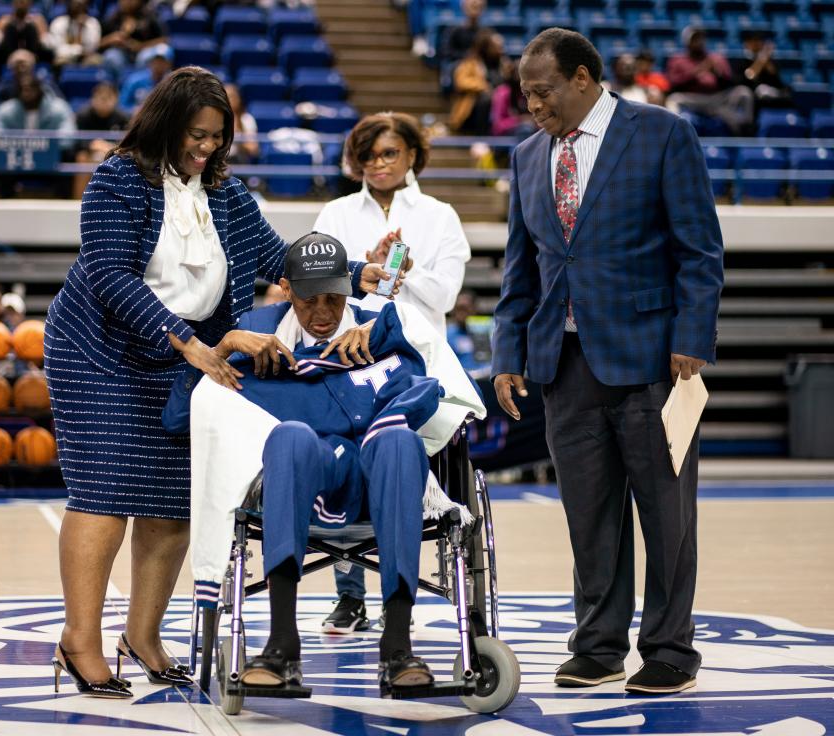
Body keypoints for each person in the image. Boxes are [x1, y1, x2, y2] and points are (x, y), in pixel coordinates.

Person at [43, 66, 393, 698]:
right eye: (195, 136)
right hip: (101, 353)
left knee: (175, 498)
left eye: (216, 138)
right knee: (105, 493)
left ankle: (143, 636)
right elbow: (110, 277)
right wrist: (191, 344)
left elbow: (278, 258)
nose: (205, 149)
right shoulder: (117, 180)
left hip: (192, 356)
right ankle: (80, 642)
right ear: (167, 124)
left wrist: (357, 270)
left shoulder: (227, 196)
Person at [492, 28, 723, 695]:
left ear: (585, 79)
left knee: (667, 516)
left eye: (542, 92)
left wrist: (692, 335)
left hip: (654, 360)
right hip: (563, 364)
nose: (532, 105)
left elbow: (700, 250)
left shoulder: (660, 134)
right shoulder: (528, 155)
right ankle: (596, 645)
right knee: (589, 516)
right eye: (525, 94)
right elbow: (523, 267)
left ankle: (671, 650)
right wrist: (510, 352)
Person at [161, 232, 485, 690]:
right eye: (309, 300)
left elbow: (438, 388)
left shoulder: (384, 325)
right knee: (290, 436)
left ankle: (397, 648)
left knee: (399, 442)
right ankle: (281, 645)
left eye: (334, 299)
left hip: (382, 472)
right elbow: (179, 419)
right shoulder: (256, 331)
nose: (322, 314)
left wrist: (389, 330)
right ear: (286, 289)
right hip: (302, 475)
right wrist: (221, 347)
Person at [312, 111, 470, 633]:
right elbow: (320, 285)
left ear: (412, 157)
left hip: (416, 357)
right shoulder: (335, 212)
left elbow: (444, 295)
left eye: (390, 153)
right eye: (368, 155)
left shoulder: (439, 215)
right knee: (345, 455)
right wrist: (364, 269)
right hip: (347, 352)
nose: (378, 164)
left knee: (399, 457)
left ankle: (396, 592)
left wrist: (403, 268)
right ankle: (349, 595)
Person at [665, 26, 754, 134]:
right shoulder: (678, 60)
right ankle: (675, 132)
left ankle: (747, 128)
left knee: (743, 92)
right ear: (687, 42)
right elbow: (673, 84)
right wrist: (697, 71)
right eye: (694, 39)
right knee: (673, 99)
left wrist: (716, 72)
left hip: (718, 98)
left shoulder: (716, 58)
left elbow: (729, 82)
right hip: (694, 99)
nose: (698, 42)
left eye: (700, 39)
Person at [72, 80, 129, 198]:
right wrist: (93, 146)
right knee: (81, 158)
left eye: (108, 98)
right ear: (93, 98)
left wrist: (106, 147)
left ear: (116, 99)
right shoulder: (83, 116)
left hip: (114, 155)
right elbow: (78, 142)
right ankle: (79, 200)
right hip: (89, 154)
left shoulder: (123, 118)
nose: (104, 101)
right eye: (100, 97)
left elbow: (127, 143)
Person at [449, 29, 505, 135]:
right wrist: (484, 86)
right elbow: (461, 82)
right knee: (486, 98)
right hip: (473, 108)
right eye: (496, 47)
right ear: (486, 47)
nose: (500, 50)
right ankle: (481, 135)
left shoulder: (503, 63)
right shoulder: (471, 63)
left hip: (499, 102)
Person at [730, 30, 791, 110]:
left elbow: (777, 81)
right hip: (751, 97)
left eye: (759, 41)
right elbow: (750, 76)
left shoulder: (769, 61)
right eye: (754, 41)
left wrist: (766, 62)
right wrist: (762, 59)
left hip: (771, 95)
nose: (757, 44)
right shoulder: (742, 61)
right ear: (747, 43)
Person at [118, 42, 173, 114]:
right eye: (156, 60)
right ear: (151, 62)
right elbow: (121, 105)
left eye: (162, 61)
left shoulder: (172, 83)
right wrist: (133, 111)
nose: (158, 64)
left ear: (169, 64)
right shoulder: (135, 80)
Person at [47, 0, 102, 67]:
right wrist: (78, 51)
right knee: (60, 61)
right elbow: (58, 50)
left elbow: (92, 48)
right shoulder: (58, 23)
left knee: (96, 60)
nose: (78, 7)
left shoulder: (93, 23)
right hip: (66, 57)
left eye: (81, 4)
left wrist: (81, 30)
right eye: (75, 3)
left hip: (86, 58)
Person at [224, 82, 258, 164]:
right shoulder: (214, 119)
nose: (229, 100)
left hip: (239, 161)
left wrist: (238, 136)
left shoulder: (247, 119)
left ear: (238, 99)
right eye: (225, 97)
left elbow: (254, 149)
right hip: (219, 162)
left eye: (232, 97)